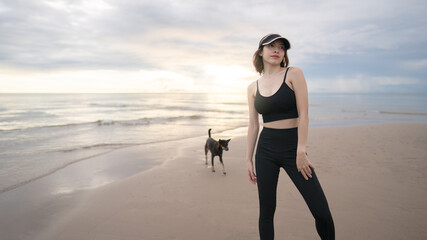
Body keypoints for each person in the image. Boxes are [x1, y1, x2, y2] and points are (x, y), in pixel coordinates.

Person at [246, 33, 335, 240]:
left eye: (281, 47)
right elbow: (253, 125)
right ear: (261, 52)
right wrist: (248, 159)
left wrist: (301, 149)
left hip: (293, 148)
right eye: (271, 46)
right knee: (266, 213)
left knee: (321, 211)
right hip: (265, 151)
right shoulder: (252, 88)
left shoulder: (293, 74)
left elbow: (304, 113)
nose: (277, 50)